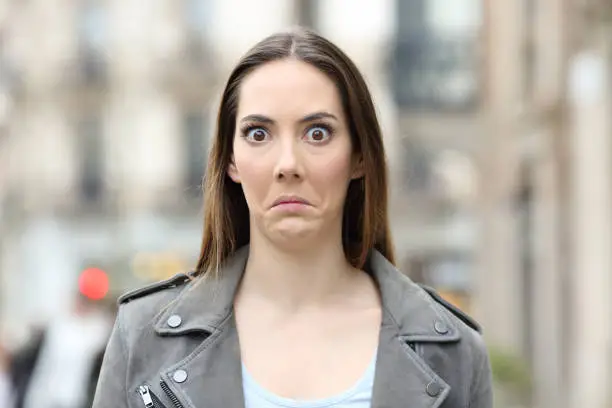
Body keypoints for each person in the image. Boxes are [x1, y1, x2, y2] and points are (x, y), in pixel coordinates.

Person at [93, 27, 493, 408]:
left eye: (317, 133)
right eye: (258, 134)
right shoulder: (143, 336)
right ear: (230, 160)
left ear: (359, 157)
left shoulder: (451, 350)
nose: (287, 165)